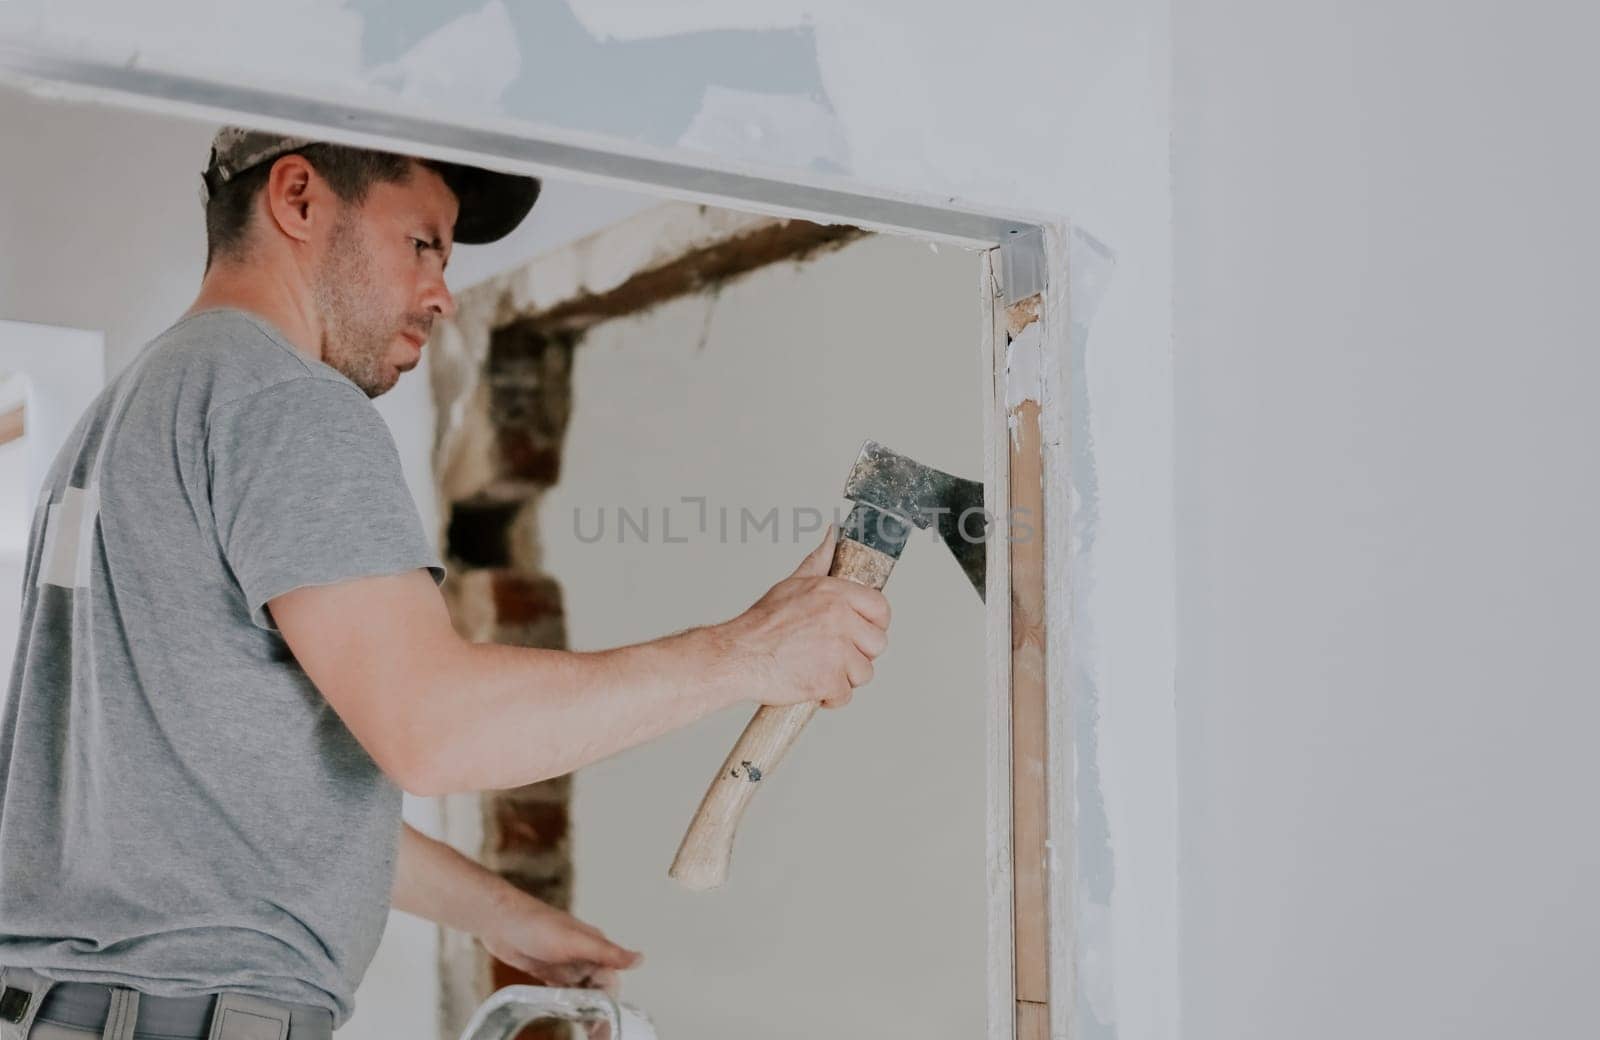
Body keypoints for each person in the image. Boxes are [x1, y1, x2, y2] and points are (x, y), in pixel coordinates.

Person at [0, 128, 890, 1040]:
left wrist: (505, 917)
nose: (442, 294)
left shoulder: (129, 414)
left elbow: (241, 790)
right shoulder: (286, 402)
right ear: (299, 200)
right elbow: (433, 729)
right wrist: (747, 655)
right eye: (421, 243)